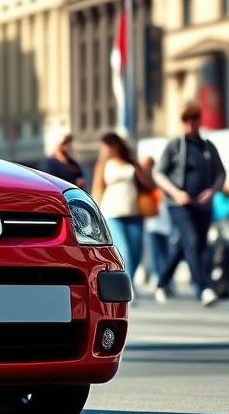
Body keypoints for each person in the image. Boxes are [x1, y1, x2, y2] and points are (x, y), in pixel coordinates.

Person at [153, 101, 226, 306]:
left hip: (202, 205)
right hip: (179, 204)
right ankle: (203, 289)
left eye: (194, 119)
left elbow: (221, 173)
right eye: (186, 120)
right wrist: (176, 193)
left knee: (191, 246)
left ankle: (162, 282)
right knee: (192, 242)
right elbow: (158, 173)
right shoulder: (175, 146)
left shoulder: (207, 147)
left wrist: (212, 191)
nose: (190, 124)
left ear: (199, 121)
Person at [92, 132, 153, 289]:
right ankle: (126, 288)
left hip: (134, 212)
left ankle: (129, 282)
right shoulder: (103, 165)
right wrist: (94, 213)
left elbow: (149, 184)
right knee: (123, 250)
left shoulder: (131, 163)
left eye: (108, 145)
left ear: (116, 145)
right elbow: (97, 190)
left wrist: (140, 171)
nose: (105, 149)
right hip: (112, 212)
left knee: (136, 251)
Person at [140, 155, 173, 293]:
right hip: (156, 222)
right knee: (162, 252)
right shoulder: (155, 185)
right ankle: (162, 280)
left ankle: (162, 279)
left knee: (159, 252)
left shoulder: (153, 184)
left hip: (158, 222)